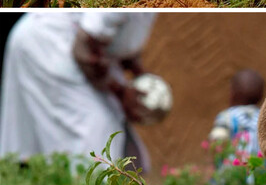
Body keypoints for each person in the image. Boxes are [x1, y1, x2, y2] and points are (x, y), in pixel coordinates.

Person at [0, 13, 157, 171]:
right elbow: (85, 50)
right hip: (51, 45)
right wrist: (121, 92)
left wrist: (141, 76)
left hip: (69, 47)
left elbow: (123, 37)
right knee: (97, 125)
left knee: (105, 123)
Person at [207, 68, 266, 185]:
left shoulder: (227, 117)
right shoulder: (265, 118)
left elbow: (216, 144)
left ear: (233, 93)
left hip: (232, 179)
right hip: (262, 179)